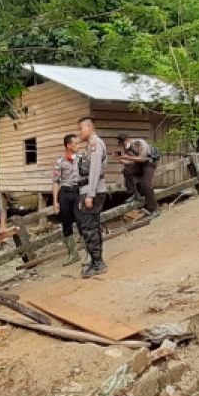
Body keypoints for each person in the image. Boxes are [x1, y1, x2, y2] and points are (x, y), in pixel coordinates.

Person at [77, 116, 108, 278]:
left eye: (81, 129)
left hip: (92, 191)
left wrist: (90, 195)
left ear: (89, 127)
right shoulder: (91, 146)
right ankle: (96, 260)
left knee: (89, 228)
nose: (79, 133)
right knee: (92, 227)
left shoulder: (95, 144)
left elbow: (95, 170)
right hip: (89, 190)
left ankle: (98, 263)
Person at [51, 133, 82, 266]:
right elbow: (55, 182)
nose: (78, 146)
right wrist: (55, 202)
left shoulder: (81, 159)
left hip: (78, 193)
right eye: (76, 143)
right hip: (65, 194)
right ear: (68, 145)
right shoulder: (59, 161)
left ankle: (88, 252)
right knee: (66, 223)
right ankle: (73, 254)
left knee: (82, 221)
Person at [116, 133, 159, 214]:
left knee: (146, 185)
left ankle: (154, 209)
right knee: (126, 170)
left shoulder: (140, 143)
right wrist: (121, 160)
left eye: (123, 144)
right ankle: (132, 193)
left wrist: (127, 157)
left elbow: (142, 159)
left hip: (149, 163)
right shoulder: (128, 149)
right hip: (139, 165)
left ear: (127, 140)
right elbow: (130, 162)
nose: (123, 146)